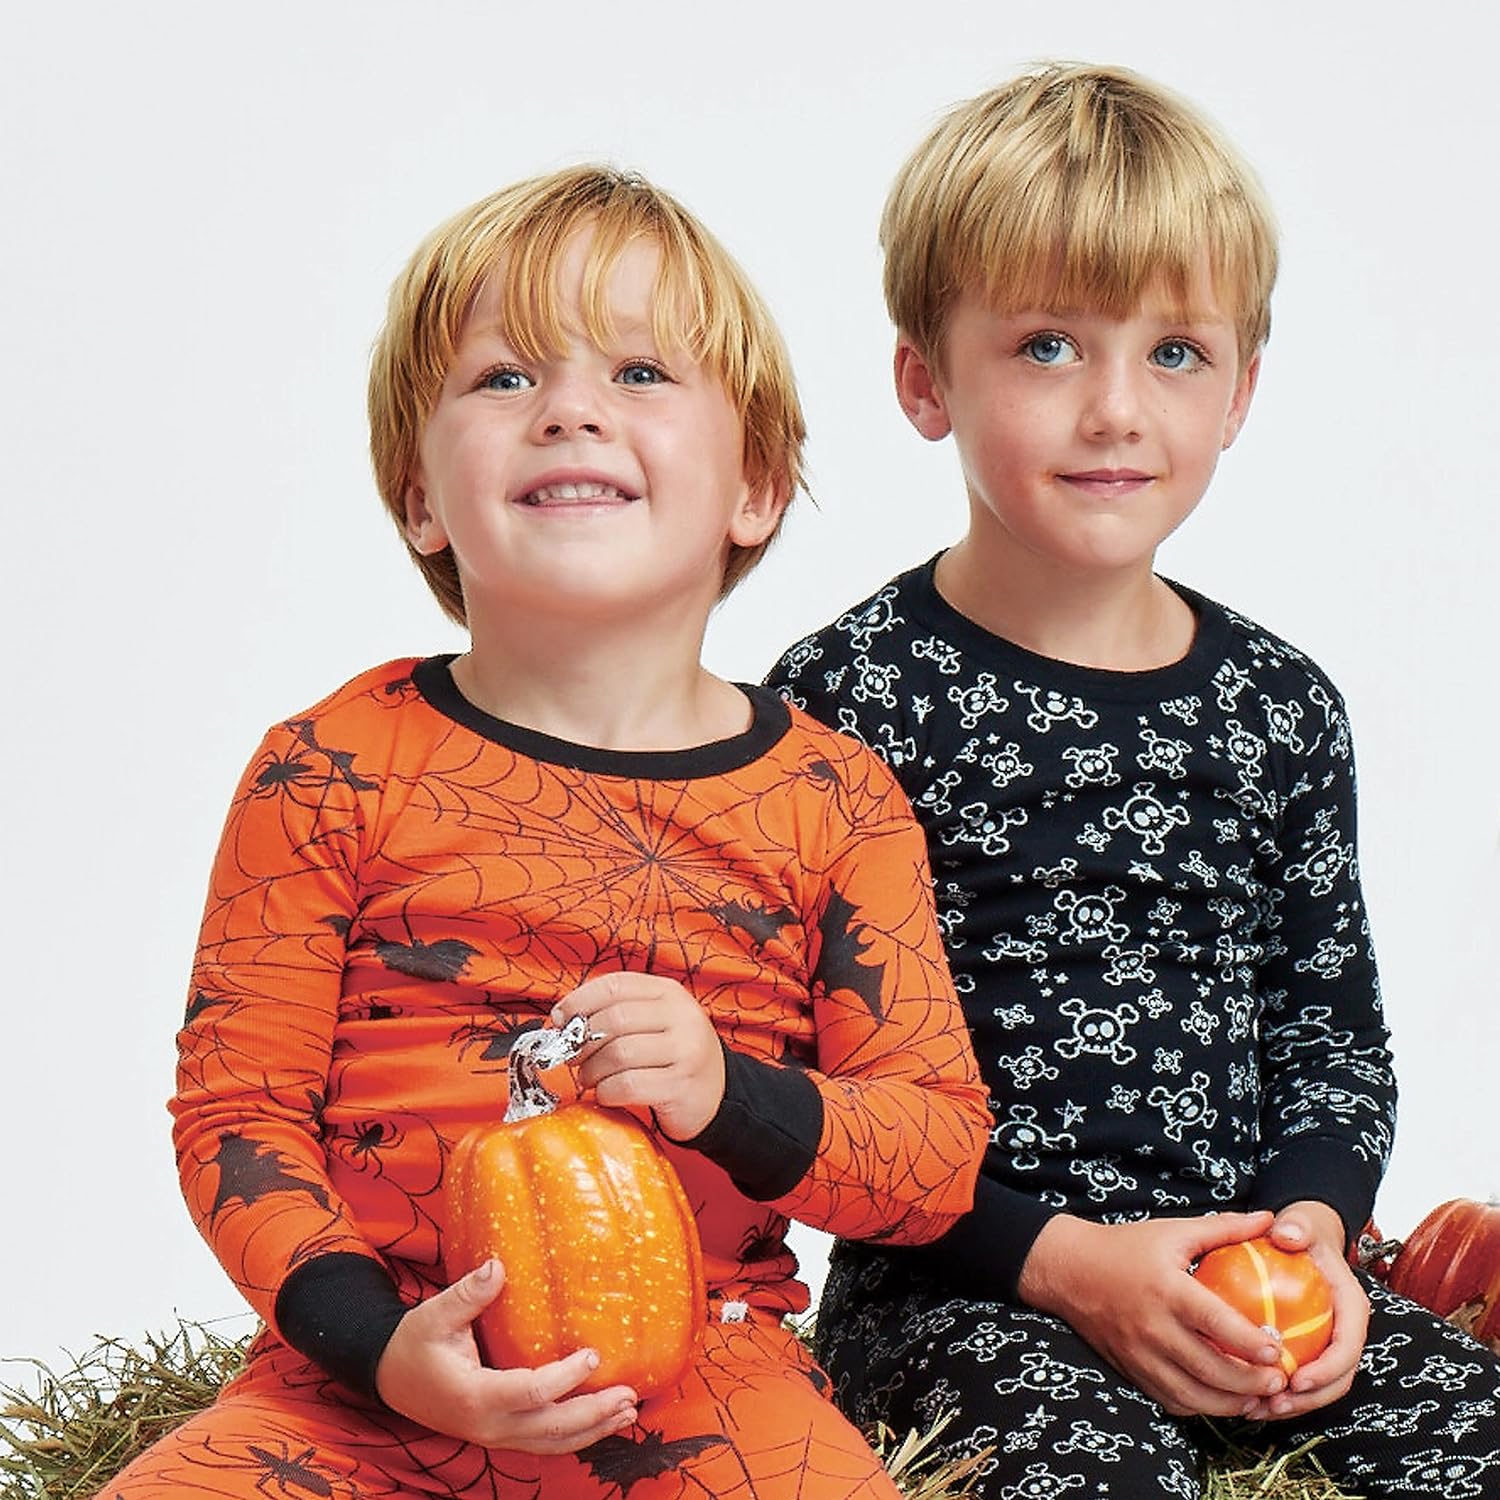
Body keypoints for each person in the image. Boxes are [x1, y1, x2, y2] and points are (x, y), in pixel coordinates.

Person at [107, 165, 991, 1500]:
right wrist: (378, 1346)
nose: (570, 409)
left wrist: (727, 1095)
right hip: (359, 1383)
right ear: (419, 496)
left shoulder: (836, 801)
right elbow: (238, 1113)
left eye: (640, 373)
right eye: (505, 377)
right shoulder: (328, 768)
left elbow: (932, 1159)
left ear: (756, 488)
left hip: (706, 1377)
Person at [766, 63, 1500, 1497]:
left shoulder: (1279, 707)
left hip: (1250, 1292)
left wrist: (1313, 1237)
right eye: (1048, 346)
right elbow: (814, 1092)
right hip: (965, 1297)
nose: (1115, 409)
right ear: (924, 379)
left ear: (1241, 392)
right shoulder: (850, 700)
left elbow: (1331, 1038)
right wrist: (1065, 1267)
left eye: (1174, 351)